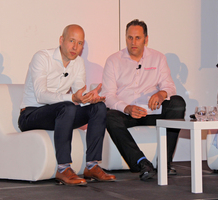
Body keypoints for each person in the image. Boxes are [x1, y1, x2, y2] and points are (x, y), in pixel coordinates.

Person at [18, 24, 116, 186]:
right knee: (68, 106)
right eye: (71, 41)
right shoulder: (42, 57)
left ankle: (92, 165)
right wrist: (73, 98)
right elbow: (41, 95)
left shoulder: (78, 63)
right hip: (31, 115)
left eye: (80, 43)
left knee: (98, 108)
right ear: (61, 40)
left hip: (60, 113)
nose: (75, 47)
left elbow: (78, 96)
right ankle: (63, 168)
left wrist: (90, 98)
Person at [101, 19, 186, 181]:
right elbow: (108, 96)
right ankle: (141, 163)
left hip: (152, 111)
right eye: (129, 38)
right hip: (126, 113)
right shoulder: (113, 60)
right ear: (125, 38)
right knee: (109, 116)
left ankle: (164, 162)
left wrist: (161, 94)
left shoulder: (158, 58)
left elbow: (169, 86)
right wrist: (126, 108)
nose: (133, 42)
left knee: (177, 102)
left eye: (138, 38)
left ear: (146, 39)